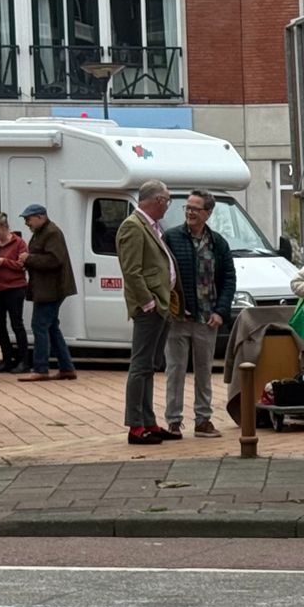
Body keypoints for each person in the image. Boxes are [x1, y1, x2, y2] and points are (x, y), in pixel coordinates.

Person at [160, 190, 235, 439]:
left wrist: (221, 311)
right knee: (175, 370)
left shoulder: (218, 243)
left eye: (196, 208)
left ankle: (203, 420)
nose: (190, 212)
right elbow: (162, 273)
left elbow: (229, 279)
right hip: (177, 318)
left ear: (208, 213)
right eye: (188, 207)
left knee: (204, 371)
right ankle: (173, 421)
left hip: (207, 319)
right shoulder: (171, 238)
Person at [116, 179, 177, 444]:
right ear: (157, 200)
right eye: (167, 200)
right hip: (149, 307)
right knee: (140, 366)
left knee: (150, 366)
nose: (168, 206)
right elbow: (131, 270)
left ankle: (148, 421)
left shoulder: (151, 226)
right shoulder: (133, 226)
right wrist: (148, 302)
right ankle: (135, 425)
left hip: (161, 304)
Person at [17, 204, 76, 382]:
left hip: (51, 289)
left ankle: (41, 369)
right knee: (51, 327)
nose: (26, 223)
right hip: (47, 288)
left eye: (28, 219)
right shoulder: (42, 232)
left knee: (39, 325)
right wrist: (27, 261)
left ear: (40, 217)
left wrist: (29, 258)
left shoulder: (51, 232)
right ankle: (66, 368)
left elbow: (54, 260)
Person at [0, 213, 30, 375]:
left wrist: (3, 261)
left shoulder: (19, 243)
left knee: (17, 324)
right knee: (0, 326)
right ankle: (7, 360)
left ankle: (24, 361)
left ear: (4, 227)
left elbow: (22, 265)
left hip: (14, 289)